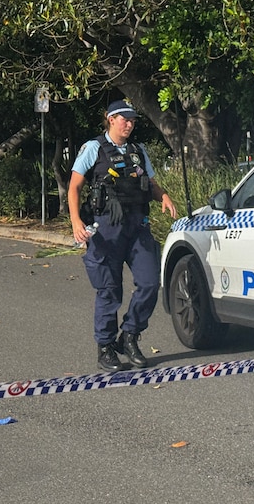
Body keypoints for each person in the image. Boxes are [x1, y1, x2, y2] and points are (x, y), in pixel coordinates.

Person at [68, 99, 178, 371]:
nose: (129, 124)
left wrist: (162, 196)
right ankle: (105, 348)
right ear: (110, 119)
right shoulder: (94, 148)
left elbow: (149, 183)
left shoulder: (138, 150)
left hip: (137, 226)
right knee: (109, 290)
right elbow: (74, 187)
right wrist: (75, 221)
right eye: (123, 119)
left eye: (132, 120)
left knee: (151, 283)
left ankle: (129, 335)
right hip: (106, 228)